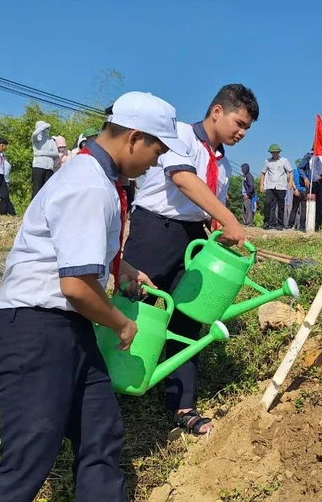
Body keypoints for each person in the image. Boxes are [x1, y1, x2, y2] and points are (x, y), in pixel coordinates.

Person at [0, 91, 189, 501]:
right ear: (135, 138)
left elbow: (70, 252)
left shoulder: (95, 178)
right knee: (27, 459)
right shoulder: (90, 185)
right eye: (157, 150)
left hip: (66, 331)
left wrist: (119, 268)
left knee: (99, 433)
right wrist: (121, 322)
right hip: (34, 331)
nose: (156, 162)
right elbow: (74, 287)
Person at [123, 83, 256, 436]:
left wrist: (221, 233)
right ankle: (114, 385)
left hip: (193, 239)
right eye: (239, 123)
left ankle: (182, 406)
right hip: (155, 231)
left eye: (246, 129)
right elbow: (182, 179)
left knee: (188, 321)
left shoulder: (223, 165)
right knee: (137, 307)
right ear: (217, 111)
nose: (241, 133)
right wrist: (229, 218)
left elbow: (207, 209)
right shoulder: (178, 134)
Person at [259, 144, 294, 230]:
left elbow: (290, 171)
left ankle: (280, 223)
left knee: (281, 205)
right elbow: (263, 173)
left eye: (276, 152)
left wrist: (290, 181)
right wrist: (261, 184)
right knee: (267, 203)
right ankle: (267, 222)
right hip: (270, 186)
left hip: (281, 186)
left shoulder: (284, 161)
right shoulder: (267, 161)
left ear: (279, 152)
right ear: (270, 153)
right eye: (273, 152)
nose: (274, 154)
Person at [31, 120, 60, 198]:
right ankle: (34, 209)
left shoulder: (51, 140)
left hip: (49, 168)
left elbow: (56, 153)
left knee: (48, 191)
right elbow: (34, 134)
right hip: (39, 166)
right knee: (37, 190)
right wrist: (43, 126)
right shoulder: (37, 140)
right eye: (45, 128)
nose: (46, 130)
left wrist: (42, 153)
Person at [240, 162, 255, 226]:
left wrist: (248, 194)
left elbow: (251, 186)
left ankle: (249, 223)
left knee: (248, 209)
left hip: (247, 196)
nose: (242, 170)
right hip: (244, 195)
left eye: (243, 168)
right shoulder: (245, 176)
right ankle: (246, 222)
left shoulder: (249, 176)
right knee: (245, 209)